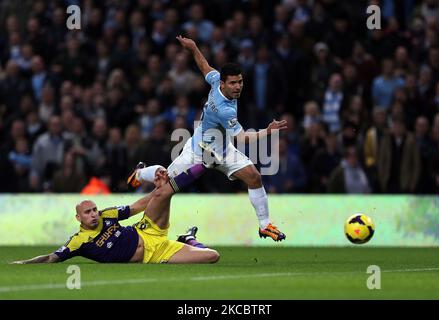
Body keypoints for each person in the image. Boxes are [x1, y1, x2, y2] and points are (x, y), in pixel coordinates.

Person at [131, 35, 287, 242]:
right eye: (233, 83)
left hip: (223, 152)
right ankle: (140, 174)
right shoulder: (225, 110)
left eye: (240, 82)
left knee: (254, 177)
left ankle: (265, 225)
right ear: (223, 83)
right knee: (164, 182)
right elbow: (242, 138)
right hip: (198, 151)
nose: (238, 87)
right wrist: (268, 131)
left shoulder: (215, 80)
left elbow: (203, 65)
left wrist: (193, 47)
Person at [11, 163, 219, 264]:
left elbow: (137, 207)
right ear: (78, 218)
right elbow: (51, 258)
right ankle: (189, 239)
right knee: (212, 257)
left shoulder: (106, 215)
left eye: (94, 209)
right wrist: (24, 263)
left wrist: (156, 191)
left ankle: (207, 164)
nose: (94, 214)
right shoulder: (78, 242)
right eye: (88, 212)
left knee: (163, 193)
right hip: (154, 254)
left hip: (148, 231)